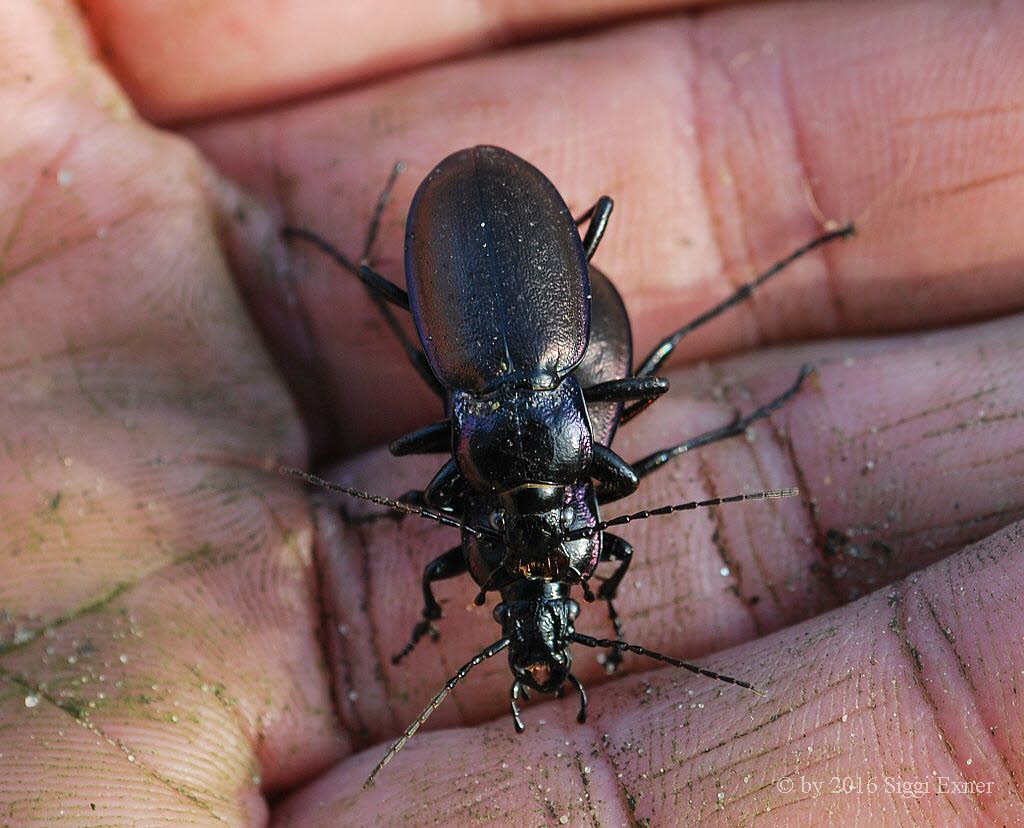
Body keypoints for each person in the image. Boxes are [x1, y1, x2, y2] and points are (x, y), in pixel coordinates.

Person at [2, 0, 1021, 823]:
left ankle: (404, 266)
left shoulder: (501, 447)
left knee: (546, 349)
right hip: (512, 306)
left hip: (498, 309)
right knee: (565, 353)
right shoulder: (499, 450)